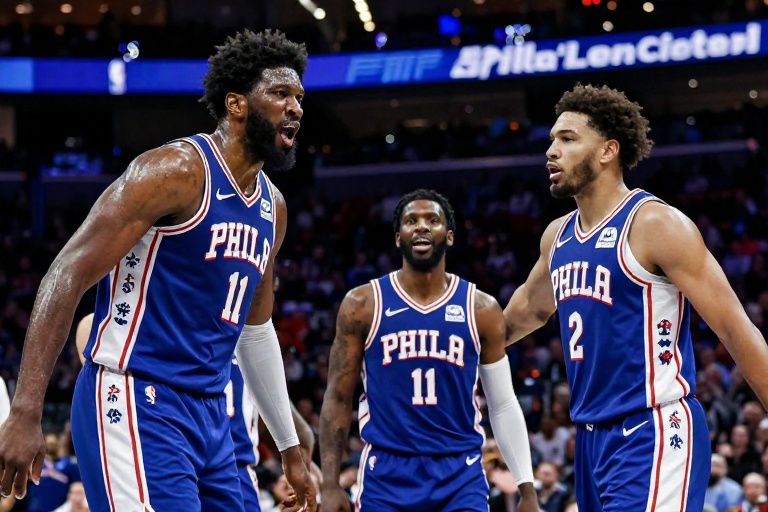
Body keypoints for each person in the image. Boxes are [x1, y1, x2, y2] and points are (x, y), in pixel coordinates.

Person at [0, 29, 316, 512]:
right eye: (280, 94)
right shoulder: (174, 171)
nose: (295, 108)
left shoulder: (273, 208)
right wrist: (26, 410)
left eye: (299, 97)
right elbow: (66, 273)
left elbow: (255, 332)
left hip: (211, 414)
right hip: (135, 396)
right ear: (236, 104)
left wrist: (289, 447)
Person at [503, 83, 768, 510]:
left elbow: (734, 328)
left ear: (608, 150)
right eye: (552, 139)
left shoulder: (655, 224)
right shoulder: (558, 236)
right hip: (590, 439)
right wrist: (455, 348)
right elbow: (524, 313)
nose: (551, 151)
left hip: (653, 428)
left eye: (567, 139)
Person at [319, 189, 539, 511]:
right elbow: (338, 397)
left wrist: (527, 488)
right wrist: (329, 483)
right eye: (411, 221)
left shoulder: (481, 309)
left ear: (449, 236)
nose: (421, 226)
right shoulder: (362, 305)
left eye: (432, 220)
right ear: (398, 238)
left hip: (459, 474)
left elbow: (503, 403)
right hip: (387, 474)